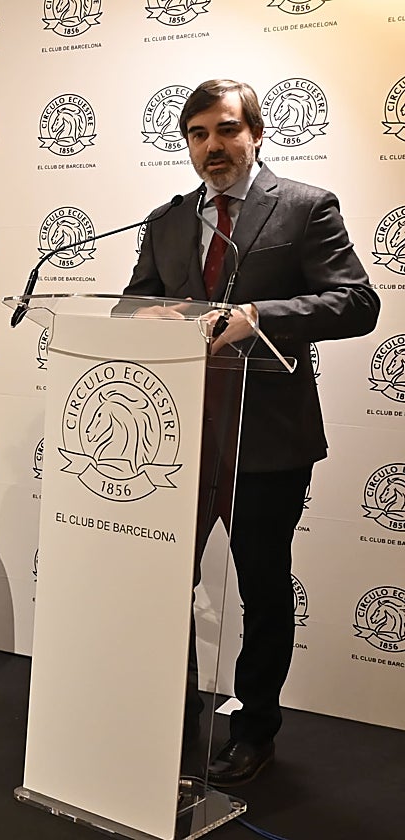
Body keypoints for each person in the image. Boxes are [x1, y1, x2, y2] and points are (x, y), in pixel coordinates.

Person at [123, 79, 380, 785]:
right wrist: (141, 316)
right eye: (199, 133)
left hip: (264, 438)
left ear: (257, 134)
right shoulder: (168, 219)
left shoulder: (303, 207)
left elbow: (357, 301)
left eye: (227, 130)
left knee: (262, 589)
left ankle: (254, 729)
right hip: (172, 438)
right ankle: (164, 713)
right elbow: (133, 299)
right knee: (156, 581)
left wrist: (260, 314)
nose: (213, 146)